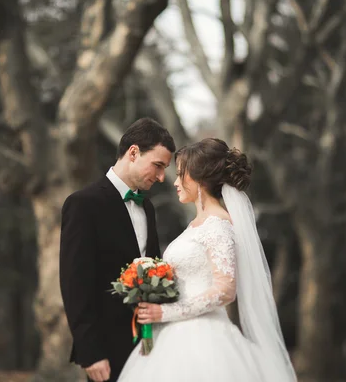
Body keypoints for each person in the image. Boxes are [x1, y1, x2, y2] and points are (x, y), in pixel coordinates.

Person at [118, 138, 297, 381]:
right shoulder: (195, 225)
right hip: (172, 336)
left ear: (199, 179)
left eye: (181, 174)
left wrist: (166, 313)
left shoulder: (218, 225)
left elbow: (225, 290)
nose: (175, 182)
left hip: (204, 339)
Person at [60, 118, 176, 382]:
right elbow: (75, 283)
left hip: (150, 343)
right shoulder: (82, 204)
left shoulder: (147, 208)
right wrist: (90, 351)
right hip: (107, 347)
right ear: (133, 153)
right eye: (158, 166)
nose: (161, 177)